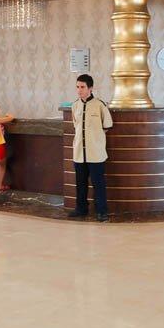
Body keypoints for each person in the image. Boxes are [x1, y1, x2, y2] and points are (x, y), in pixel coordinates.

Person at [68, 74, 113, 222]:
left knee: (98, 183)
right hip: (79, 153)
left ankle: (101, 211)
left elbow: (107, 126)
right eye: (77, 87)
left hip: (96, 153)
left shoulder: (100, 105)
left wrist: (95, 139)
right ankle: (81, 209)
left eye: (82, 87)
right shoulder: (75, 106)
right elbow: (76, 126)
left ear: (90, 88)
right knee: (80, 183)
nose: (79, 90)